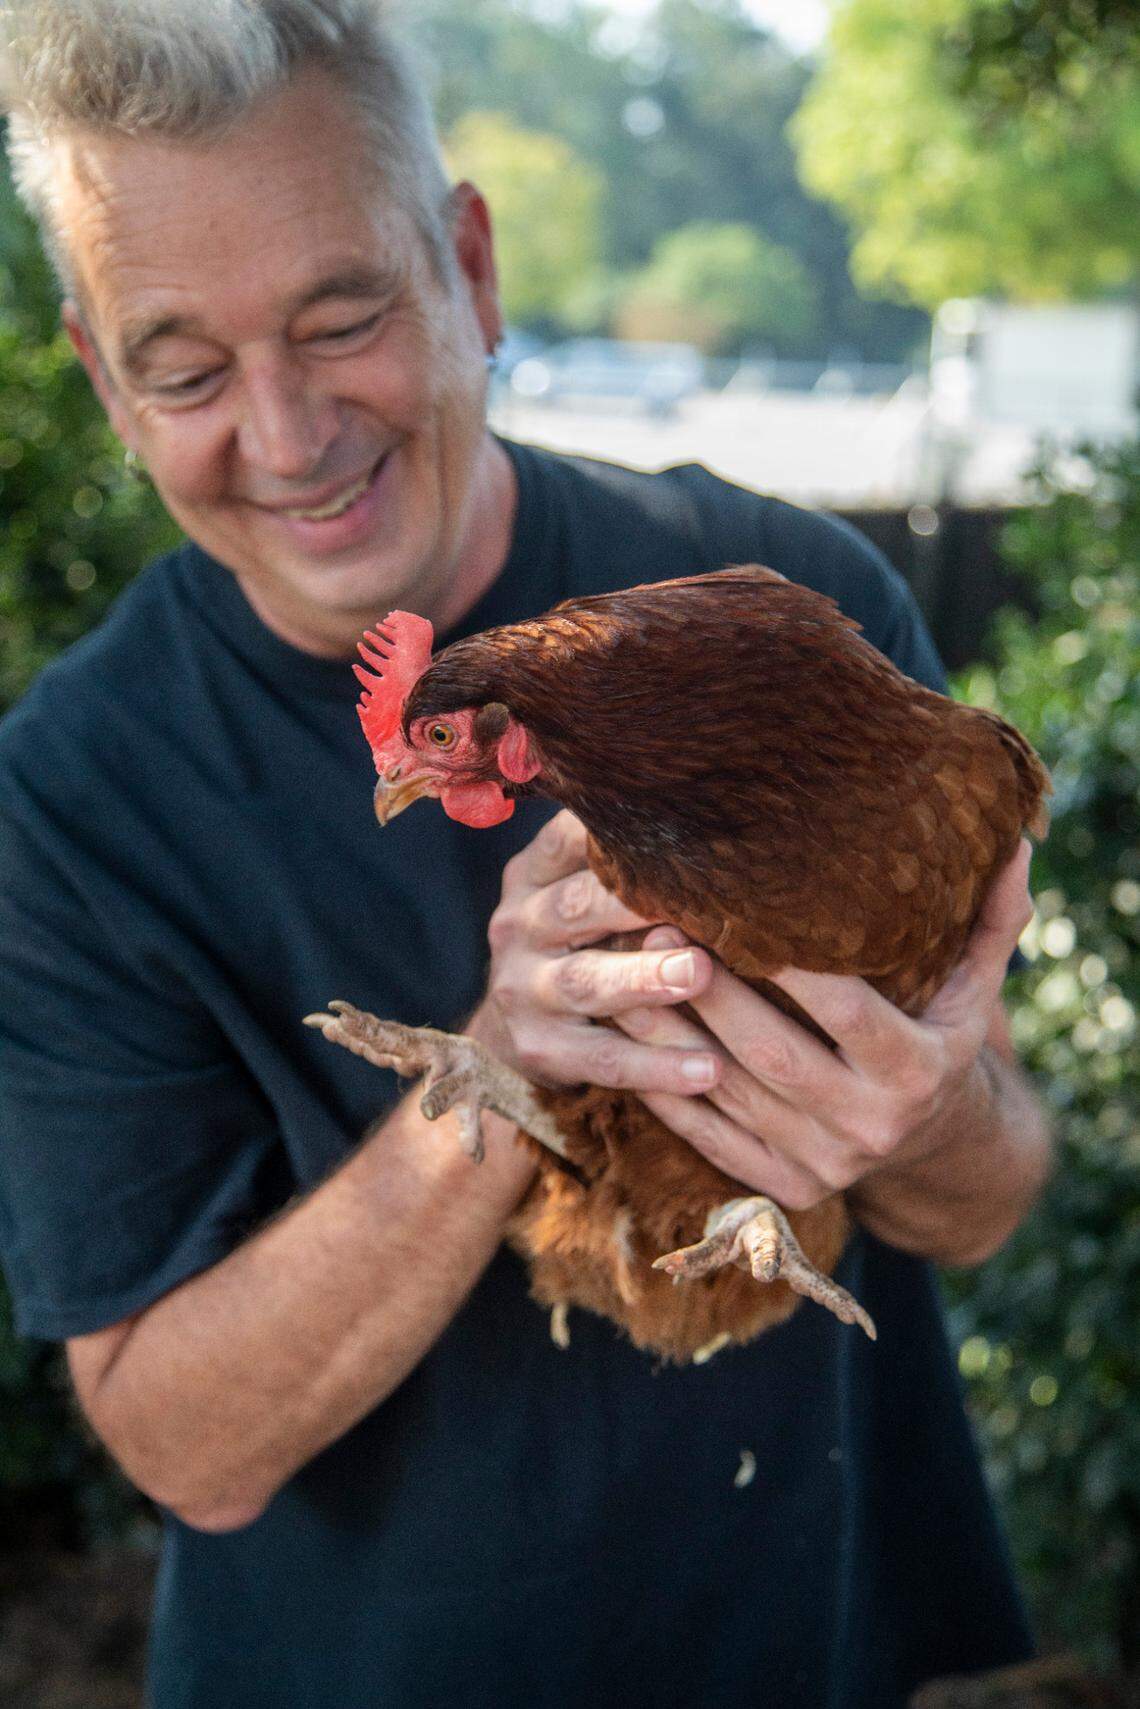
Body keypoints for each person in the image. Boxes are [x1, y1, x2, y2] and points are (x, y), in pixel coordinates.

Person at [0, 4, 1051, 1705]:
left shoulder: (796, 605)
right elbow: (183, 1442)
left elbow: (990, 1195)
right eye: (184, 369)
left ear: (469, 271)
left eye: (342, 320)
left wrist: (930, 1113)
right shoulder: (69, 800)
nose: (283, 436)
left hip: (822, 1642)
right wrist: (494, 1077)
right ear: (104, 383)